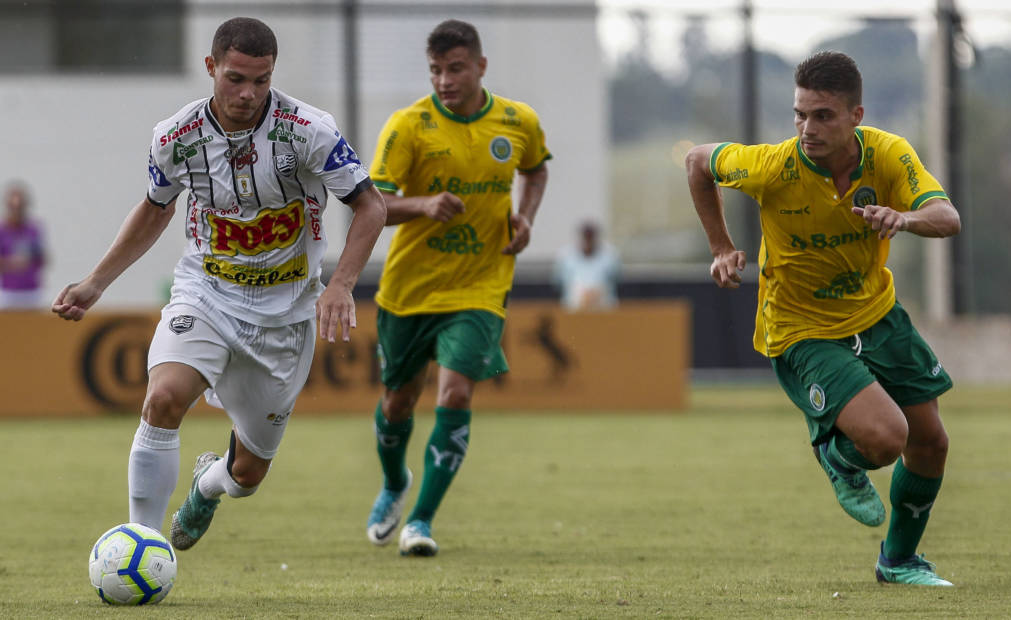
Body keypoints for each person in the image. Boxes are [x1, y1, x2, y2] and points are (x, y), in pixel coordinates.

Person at [52, 17, 386, 552]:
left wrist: (342, 283)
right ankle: (143, 546)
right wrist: (97, 281)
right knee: (162, 400)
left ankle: (208, 485)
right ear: (211, 68)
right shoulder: (175, 137)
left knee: (247, 476)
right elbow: (155, 211)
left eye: (261, 80)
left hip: (284, 317)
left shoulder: (309, 130)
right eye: (235, 78)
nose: (248, 93)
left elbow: (371, 205)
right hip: (205, 295)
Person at [685, 51, 960, 586]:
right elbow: (697, 161)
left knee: (931, 443)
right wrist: (721, 246)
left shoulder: (887, 154)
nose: (806, 128)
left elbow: (947, 217)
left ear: (856, 115)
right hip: (801, 329)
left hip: (876, 314)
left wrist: (903, 218)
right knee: (885, 439)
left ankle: (898, 562)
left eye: (822, 115)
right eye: (799, 114)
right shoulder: (773, 165)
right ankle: (838, 455)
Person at [363, 19, 551, 556]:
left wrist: (527, 218)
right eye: (436, 71)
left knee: (456, 391)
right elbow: (370, 203)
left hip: (481, 286)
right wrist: (421, 204)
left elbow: (535, 171)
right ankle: (395, 482)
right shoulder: (408, 126)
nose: (445, 80)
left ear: (480, 67)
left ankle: (420, 521)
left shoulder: (518, 121)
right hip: (408, 291)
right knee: (397, 404)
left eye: (456, 68)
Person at [553, 220, 620, 311]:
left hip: (604, 310)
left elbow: (616, 280)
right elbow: (558, 283)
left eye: (591, 236)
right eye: (586, 236)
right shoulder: (565, 256)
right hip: (573, 310)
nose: (588, 240)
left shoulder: (610, 255)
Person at [0, 182, 47, 310]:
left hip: (32, 291)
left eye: (20, 207)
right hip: (8, 292)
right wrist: (12, 263)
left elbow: (43, 259)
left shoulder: (33, 229)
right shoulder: (2, 230)